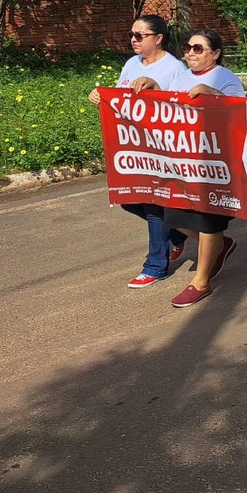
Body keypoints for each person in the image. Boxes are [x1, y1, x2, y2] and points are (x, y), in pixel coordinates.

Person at [130, 29, 244, 307]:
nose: (190, 53)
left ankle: (200, 282)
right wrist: (153, 87)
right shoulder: (181, 76)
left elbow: (240, 113)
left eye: (198, 48)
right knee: (174, 218)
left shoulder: (226, 78)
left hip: (213, 164)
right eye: (187, 48)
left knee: (207, 221)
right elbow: (168, 109)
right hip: (181, 164)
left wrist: (214, 94)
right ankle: (220, 245)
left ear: (215, 54)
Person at [90, 15, 191, 289]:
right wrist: (101, 96)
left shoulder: (174, 68)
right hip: (132, 148)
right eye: (131, 35)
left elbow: (180, 109)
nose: (133, 40)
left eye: (140, 35)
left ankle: (156, 267)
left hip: (159, 151)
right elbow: (120, 99)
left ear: (158, 38)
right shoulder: (131, 64)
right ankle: (179, 235)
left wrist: (155, 88)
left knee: (154, 207)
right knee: (129, 200)